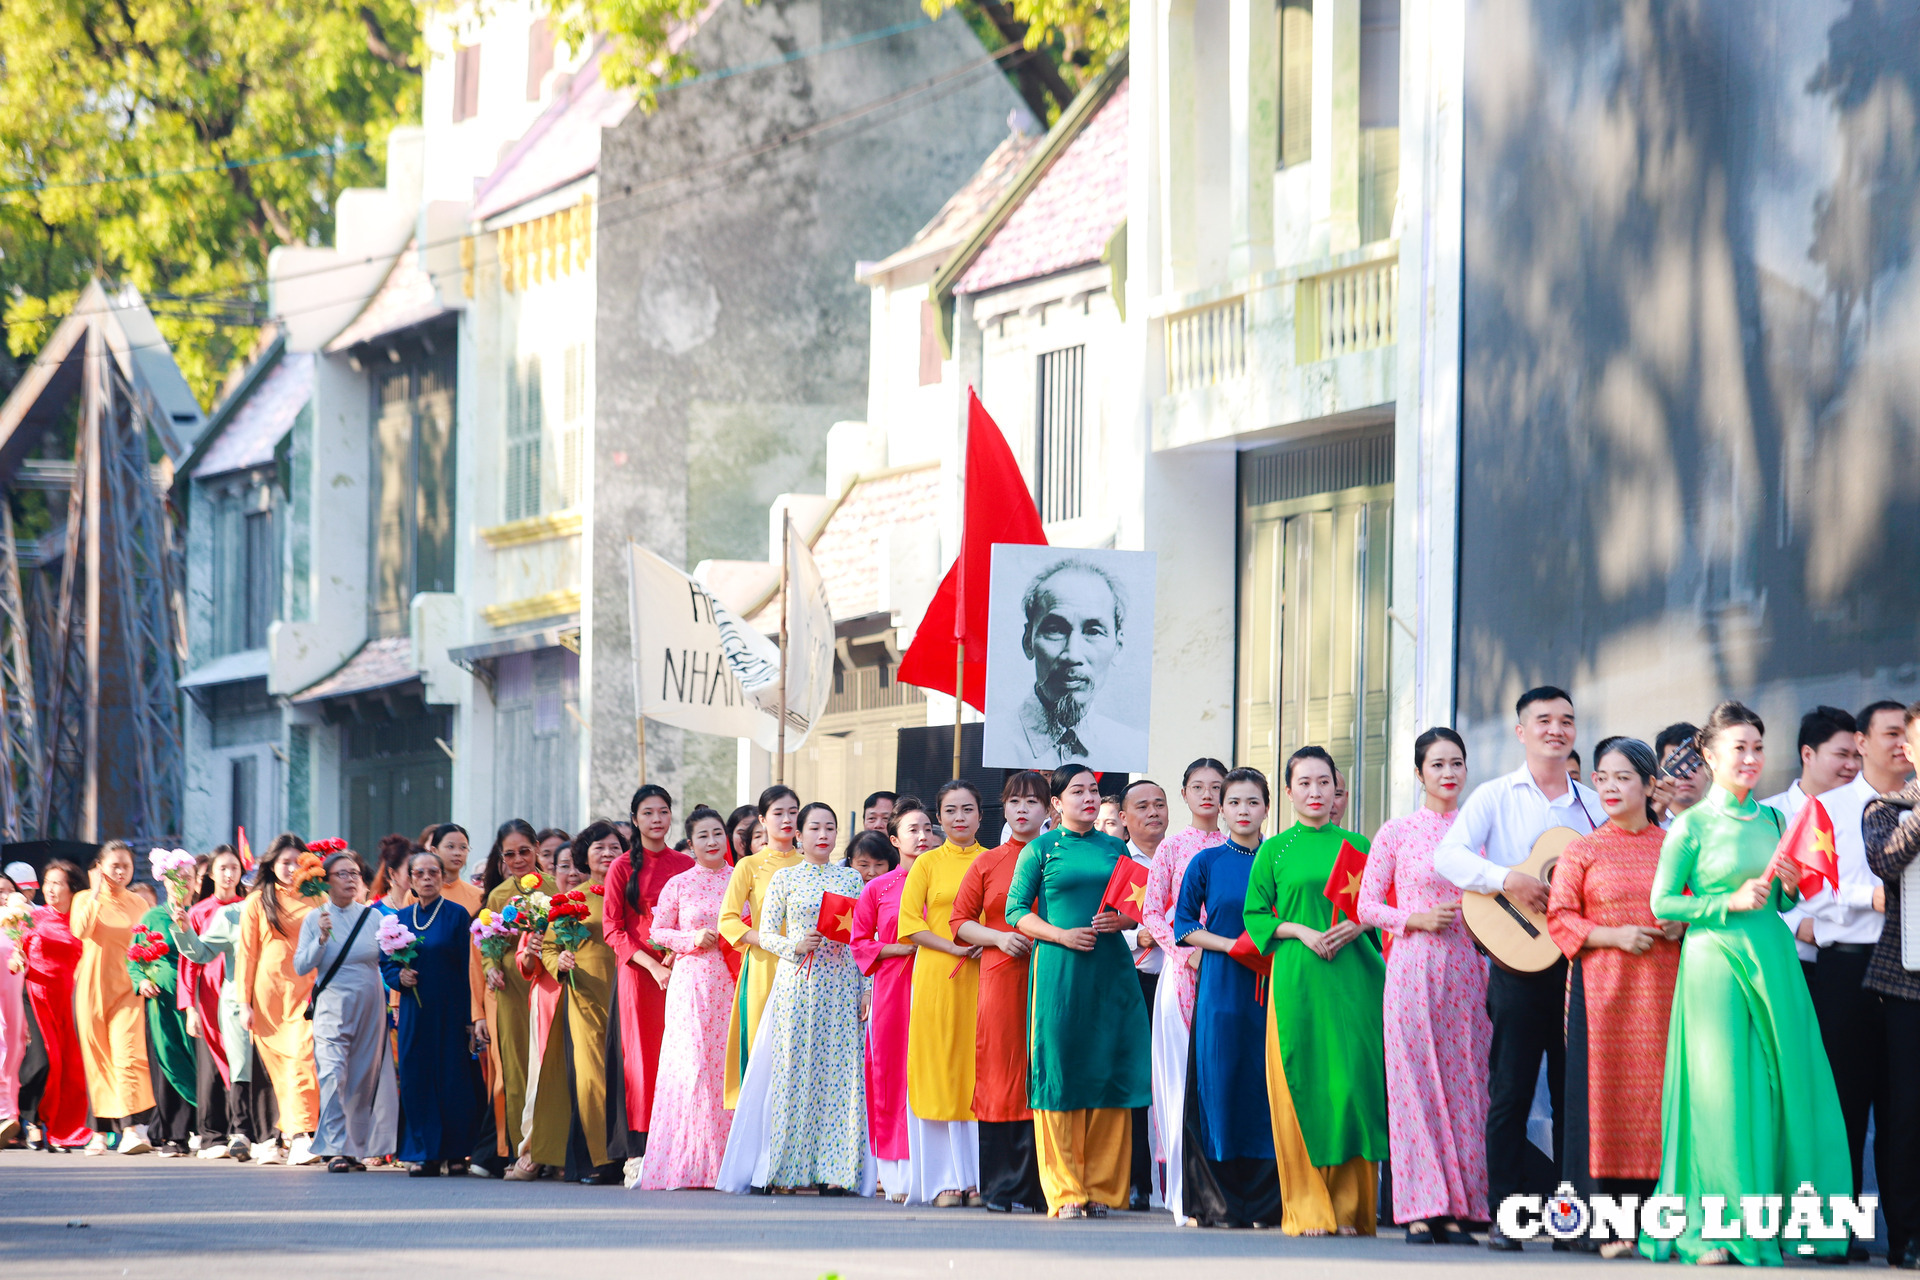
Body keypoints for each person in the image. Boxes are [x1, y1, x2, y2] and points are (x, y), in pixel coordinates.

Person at [1640, 701, 1851, 1265]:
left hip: (1774, 960)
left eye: (1758, 747)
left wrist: (1789, 887)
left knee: (1785, 1091)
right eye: (1740, 748)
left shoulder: (1775, 820)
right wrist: (1724, 902)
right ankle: (1716, 1231)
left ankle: (1789, 1223)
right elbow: (1663, 902)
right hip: (1715, 964)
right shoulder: (1690, 825)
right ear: (1709, 756)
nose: (1752, 758)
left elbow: (1783, 898)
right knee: (1723, 1095)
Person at [1431, 686, 1600, 1248]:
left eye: (1567, 720)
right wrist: (1507, 878)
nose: (1557, 728)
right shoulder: (1495, 797)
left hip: (1580, 967)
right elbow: (1448, 856)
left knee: (1575, 1094)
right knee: (1510, 1092)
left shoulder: (1594, 805)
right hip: (1519, 960)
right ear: (1522, 731)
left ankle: (1573, 1221)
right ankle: (1508, 1215)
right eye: (1544, 720)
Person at [1545, 737, 1682, 1257]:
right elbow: (1561, 918)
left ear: (1650, 786)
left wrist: (1679, 922)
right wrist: (1614, 935)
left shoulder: (1674, 844)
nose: (1609, 786)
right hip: (1601, 994)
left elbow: (1696, 903)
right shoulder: (1584, 848)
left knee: (1659, 1101)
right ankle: (1599, 1225)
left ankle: (1658, 1222)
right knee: (1599, 1100)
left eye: (1623, 777)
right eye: (1602, 777)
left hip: (1665, 991)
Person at [1244, 745, 1388, 1236]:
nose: (1314, 791)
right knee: (1300, 1086)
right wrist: (1302, 932)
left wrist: (1354, 926)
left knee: (1351, 1089)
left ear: (1336, 789)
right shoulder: (1274, 850)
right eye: (1304, 783)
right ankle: (1307, 1210)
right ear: (1288, 791)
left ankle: (1349, 1211)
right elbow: (1257, 915)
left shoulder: (1360, 846)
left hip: (1354, 980)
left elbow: (1380, 909)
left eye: (1323, 782)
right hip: (1297, 980)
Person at [1357, 727, 1487, 1244]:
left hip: (1469, 968)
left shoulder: (1480, 830)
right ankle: (1419, 1206)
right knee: (1413, 1085)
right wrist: (1413, 918)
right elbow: (1367, 906)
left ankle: (1460, 1208)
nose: (1448, 773)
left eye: (1456, 763)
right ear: (1418, 774)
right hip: (1412, 966)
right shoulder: (1397, 831)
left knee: (1468, 1085)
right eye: (1437, 765)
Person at [1005, 764, 1151, 1218]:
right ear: (1056, 801)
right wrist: (1059, 934)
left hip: (1111, 972)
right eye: (1078, 791)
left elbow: (1137, 907)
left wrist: (1121, 921)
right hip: (1059, 971)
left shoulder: (1115, 847)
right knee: (1060, 1072)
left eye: (1093, 790)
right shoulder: (1040, 850)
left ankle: (1104, 1189)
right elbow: (1015, 912)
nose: (1089, 798)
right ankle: (1066, 1191)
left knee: (1108, 1068)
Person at [1170, 766, 1283, 1228]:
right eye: (1233, 802)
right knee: (1219, 1084)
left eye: (1252, 802)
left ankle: (1267, 1203)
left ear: (1267, 809)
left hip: (1274, 985)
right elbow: (1183, 927)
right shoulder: (1207, 862)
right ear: (1221, 808)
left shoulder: (1280, 859)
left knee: (1266, 1086)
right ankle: (1219, 1203)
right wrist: (1230, 945)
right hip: (1221, 985)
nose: (1242, 811)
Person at [741, 800, 869, 1192]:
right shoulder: (785, 878)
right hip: (798, 982)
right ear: (799, 833)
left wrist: (866, 988)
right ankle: (787, 1171)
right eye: (814, 828)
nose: (823, 834)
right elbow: (765, 934)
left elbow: (861, 939)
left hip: (842, 982)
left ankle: (837, 1173)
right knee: (793, 1072)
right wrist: (796, 944)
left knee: (840, 1073)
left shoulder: (851, 880)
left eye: (830, 827)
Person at [953, 772, 1050, 1214]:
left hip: (1052, 974)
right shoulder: (988, 861)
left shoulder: (1061, 855)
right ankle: (999, 1188)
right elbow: (958, 922)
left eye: (1033, 801)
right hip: (999, 973)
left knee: (1044, 1068)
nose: (1023, 809)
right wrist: (996, 938)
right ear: (1005, 809)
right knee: (1000, 1070)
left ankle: (1045, 1187)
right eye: (1015, 802)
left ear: (1051, 808)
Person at [1141, 757, 1228, 1219]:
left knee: (1225, 1079)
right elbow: (1152, 913)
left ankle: (1229, 1191)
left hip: (1233, 972)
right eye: (1199, 786)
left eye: (1218, 787)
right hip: (1184, 972)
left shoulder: (1249, 847)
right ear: (1185, 794)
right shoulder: (1173, 849)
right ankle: (1181, 1193)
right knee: (1179, 1079)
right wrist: (1182, 953)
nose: (1209, 795)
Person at [897, 781, 988, 1207]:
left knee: (978, 1069)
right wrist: (952, 946)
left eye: (967, 809)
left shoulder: (995, 860)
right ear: (939, 820)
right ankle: (945, 1178)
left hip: (988, 973)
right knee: (941, 1069)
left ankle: (981, 1178)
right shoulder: (927, 864)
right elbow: (909, 924)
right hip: (938, 974)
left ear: (980, 816)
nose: (959, 818)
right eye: (950, 811)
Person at [639, 807, 736, 1190]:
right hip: (692, 981)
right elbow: (658, 931)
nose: (712, 842)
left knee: (725, 1068)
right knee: (691, 1066)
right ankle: (687, 1163)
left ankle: (726, 1164)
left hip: (733, 980)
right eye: (703, 837)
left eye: (718, 834)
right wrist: (690, 940)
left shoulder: (740, 878)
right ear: (691, 844)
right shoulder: (679, 883)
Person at [603, 784, 694, 1178]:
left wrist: (675, 957)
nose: (657, 820)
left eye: (663, 812)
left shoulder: (685, 865)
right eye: (648, 813)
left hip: (681, 968)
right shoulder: (622, 866)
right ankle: (638, 1152)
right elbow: (613, 928)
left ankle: (675, 1143)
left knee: (679, 1057)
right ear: (636, 819)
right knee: (641, 1060)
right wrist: (654, 966)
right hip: (639, 974)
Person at [295, 850, 397, 1172]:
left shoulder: (374, 917)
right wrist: (321, 939)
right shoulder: (315, 918)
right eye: (343, 874)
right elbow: (301, 965)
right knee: (332, 1073)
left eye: (355, 873)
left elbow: (390, 959)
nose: (351, 879)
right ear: (326, 881)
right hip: (332, 1005)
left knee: (362, 1077)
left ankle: (354, 1148)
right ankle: (334, 1147)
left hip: (370, 1004)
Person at [851, 798, 933, 1199]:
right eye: (912, 830)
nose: (922, 836)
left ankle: (938, 1168)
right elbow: (859, 943)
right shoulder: (878, 888)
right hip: (893, 989)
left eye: (926, 828)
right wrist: (896, 950)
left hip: (941, 985)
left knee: (935, 1070)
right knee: (891, 1074)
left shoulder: (947, 879)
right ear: (895, 838)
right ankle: (896, 1173)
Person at [1863, 701, 1920, 1269]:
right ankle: (1906, 1233)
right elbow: (1884, 862)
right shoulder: (1886, 807)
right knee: (1906, 1115)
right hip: (1907, 982)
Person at [537, 822, 624, 1184]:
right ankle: (602, 1159)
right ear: (585, 857)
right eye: (599, 848)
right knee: (592, 1078)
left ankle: (633, 1154)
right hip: (585, 994)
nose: (607, 853)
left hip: (629, 990)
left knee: (629, 1075)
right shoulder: (573, 899)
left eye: (614, 847)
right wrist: (561, 962)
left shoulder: (632, 892)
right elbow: (548, 947)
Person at [1001, 559, 1141, 769]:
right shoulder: (997, 741)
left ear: (1118, 646)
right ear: (1028, 641)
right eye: (1055, 630)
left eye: (1093, 631)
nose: (1072, 655)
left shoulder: (1132, 749)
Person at [238, 834, 323, 1165]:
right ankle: (293, 1136)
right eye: (284, 862)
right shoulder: (258, 901)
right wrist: (243, 1003)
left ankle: (302, 1135)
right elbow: (246, 954)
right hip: (269, 994)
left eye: (295, 862)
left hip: (307, 990)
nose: (289, 868)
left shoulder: (317, 897)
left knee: (303, 1058)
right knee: (280, 1067)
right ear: (272, 865)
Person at [718, 785, 803, 1109]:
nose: (786, 819)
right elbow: (727, 920)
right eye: (778, 813)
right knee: (760, 1049)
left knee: (796, 1051)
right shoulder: (749, 866)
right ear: (763, 820)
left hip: (803, 968)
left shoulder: (810, 864)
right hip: (763, 968)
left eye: (793, 812)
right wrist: (770, 941)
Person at [481, 819, 555, 1181]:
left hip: (548, 983)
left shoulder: (556, 888)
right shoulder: (498, 896)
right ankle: (518, 1148)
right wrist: (491, 966)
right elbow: (487, 942)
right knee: (515, 1069)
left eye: (524, 851)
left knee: (548, 1065)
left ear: (537, 848)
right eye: (509, 854)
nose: (518, 859)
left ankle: (549, 1147)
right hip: (511, 988)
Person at [71, 841, 156, 1154]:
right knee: (98, 1059)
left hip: (128, 989)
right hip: (92, 988)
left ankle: (132, 1130)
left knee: (128, 1055)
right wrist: (94, 893)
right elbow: (80, 931)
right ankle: (100, 1133)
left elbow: (149, 946)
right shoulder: (82, 899)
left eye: (126, 866)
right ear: (100, 868)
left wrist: (147, 977)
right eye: (114, 866)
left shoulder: (138, 904)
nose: (121, 872)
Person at [1766, 706, 1863, 969]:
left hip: (1855, 961)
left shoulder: (1867, 814)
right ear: (1808, 754)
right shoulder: (1770, 815)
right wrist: (1797, 923)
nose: (1852, 765)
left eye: (1857, 755)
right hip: (1790, 964)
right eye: (1842, 754)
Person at [173, 848, 253, 1159]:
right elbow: (190, 962)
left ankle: (244, 1130)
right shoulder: (199, 911)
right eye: (222, 868)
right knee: (211, 1067)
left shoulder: (250, 908)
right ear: (211, 874)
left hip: (239, 996)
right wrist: (189, 1006)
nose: (229, 874)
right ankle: (212, 1135)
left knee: (242, 1064)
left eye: (234, 867)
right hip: (208, 997)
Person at [10, 860, 91, 1149]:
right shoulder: (33, 917)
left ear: (73, 888)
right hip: (36, 997)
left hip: (70, 1001)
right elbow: (16, 950)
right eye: (48, 882)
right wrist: (17, 958)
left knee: (69, 1067)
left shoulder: (83, 921)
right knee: (45, 1058)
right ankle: (27, 1119)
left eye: (58, 883)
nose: (51, 889)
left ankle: (58, 1126)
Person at [1115, 778, 1166, 1210]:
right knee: (1135, 1081)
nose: (1153, 813)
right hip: (1132, 983)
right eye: (1143, 807)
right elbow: (1101, 923)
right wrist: (1138, 937)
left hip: (1182, 982)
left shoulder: (1186, 856)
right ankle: (1137, 1181)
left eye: (1160, 805)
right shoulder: (1116, 861)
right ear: (1125, 818)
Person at [131, 866, 196, 1157]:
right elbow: (134, 958)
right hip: (164, 1001)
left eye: (188, 878)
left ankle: (207, 1129)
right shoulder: (153, 917)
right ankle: (175, 1135)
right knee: (169, 1059)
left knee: (200, 1060)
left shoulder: (201, 914)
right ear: (164, 881)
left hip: (198, 999)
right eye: (175, 878)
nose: (181, 883)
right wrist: (142, 980)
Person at [1652, 722, 1705, 824]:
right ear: (1659, 769)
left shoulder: (1722, 824)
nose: (1686, 775)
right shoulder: (1645, 821)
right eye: (1673, 763)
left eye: (1695, 763)